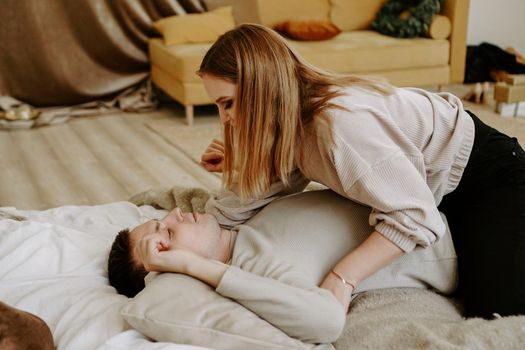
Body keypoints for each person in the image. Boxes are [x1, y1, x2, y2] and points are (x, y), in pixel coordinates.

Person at [197, 23, 525, 319]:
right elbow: (254, 198)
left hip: (491, 174)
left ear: (261, 89)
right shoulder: (286, 125)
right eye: (218, 106)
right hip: (435, 181)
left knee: (497, 313)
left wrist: (342, 278)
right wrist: (203, 223)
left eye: (228, 103)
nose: (224, 119)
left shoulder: (339, 127)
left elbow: (416, 214)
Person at [108, 189, 457, 343]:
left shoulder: (241, 226)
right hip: (459, 238)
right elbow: (326, 321)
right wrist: (192, 265)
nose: (175, 213)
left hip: (433, 195)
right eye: (167, 231)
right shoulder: (254, 269)